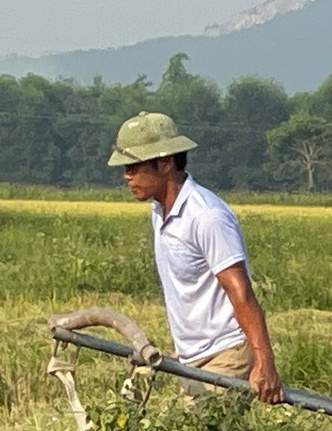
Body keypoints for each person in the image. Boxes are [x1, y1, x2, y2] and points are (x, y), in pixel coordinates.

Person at [108, 111, 284, 404]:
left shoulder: (206, 216)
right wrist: (183, 349)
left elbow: (239, 291)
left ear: (165, 162)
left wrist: (264, 361)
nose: (127, 176)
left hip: (227, 352)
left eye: (134, 166)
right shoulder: (159, 213)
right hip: (192, 357)